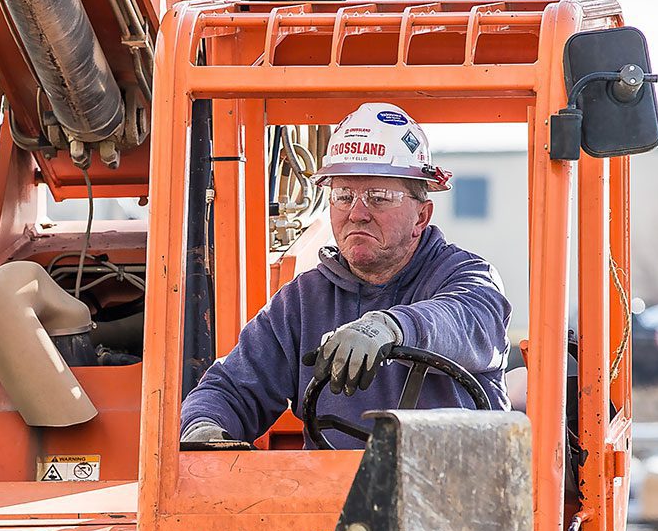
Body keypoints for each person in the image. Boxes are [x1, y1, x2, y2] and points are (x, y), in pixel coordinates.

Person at [180, 102, 512, 449]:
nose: (357, 213)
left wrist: (389, 327)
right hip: (333, 496)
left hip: (455, 493)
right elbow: (233, 386)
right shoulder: (303, 301)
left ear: (421, 216)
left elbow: (466, 321)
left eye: (379, 197)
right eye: (343, 195)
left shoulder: (468, 278)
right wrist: (205, 427)